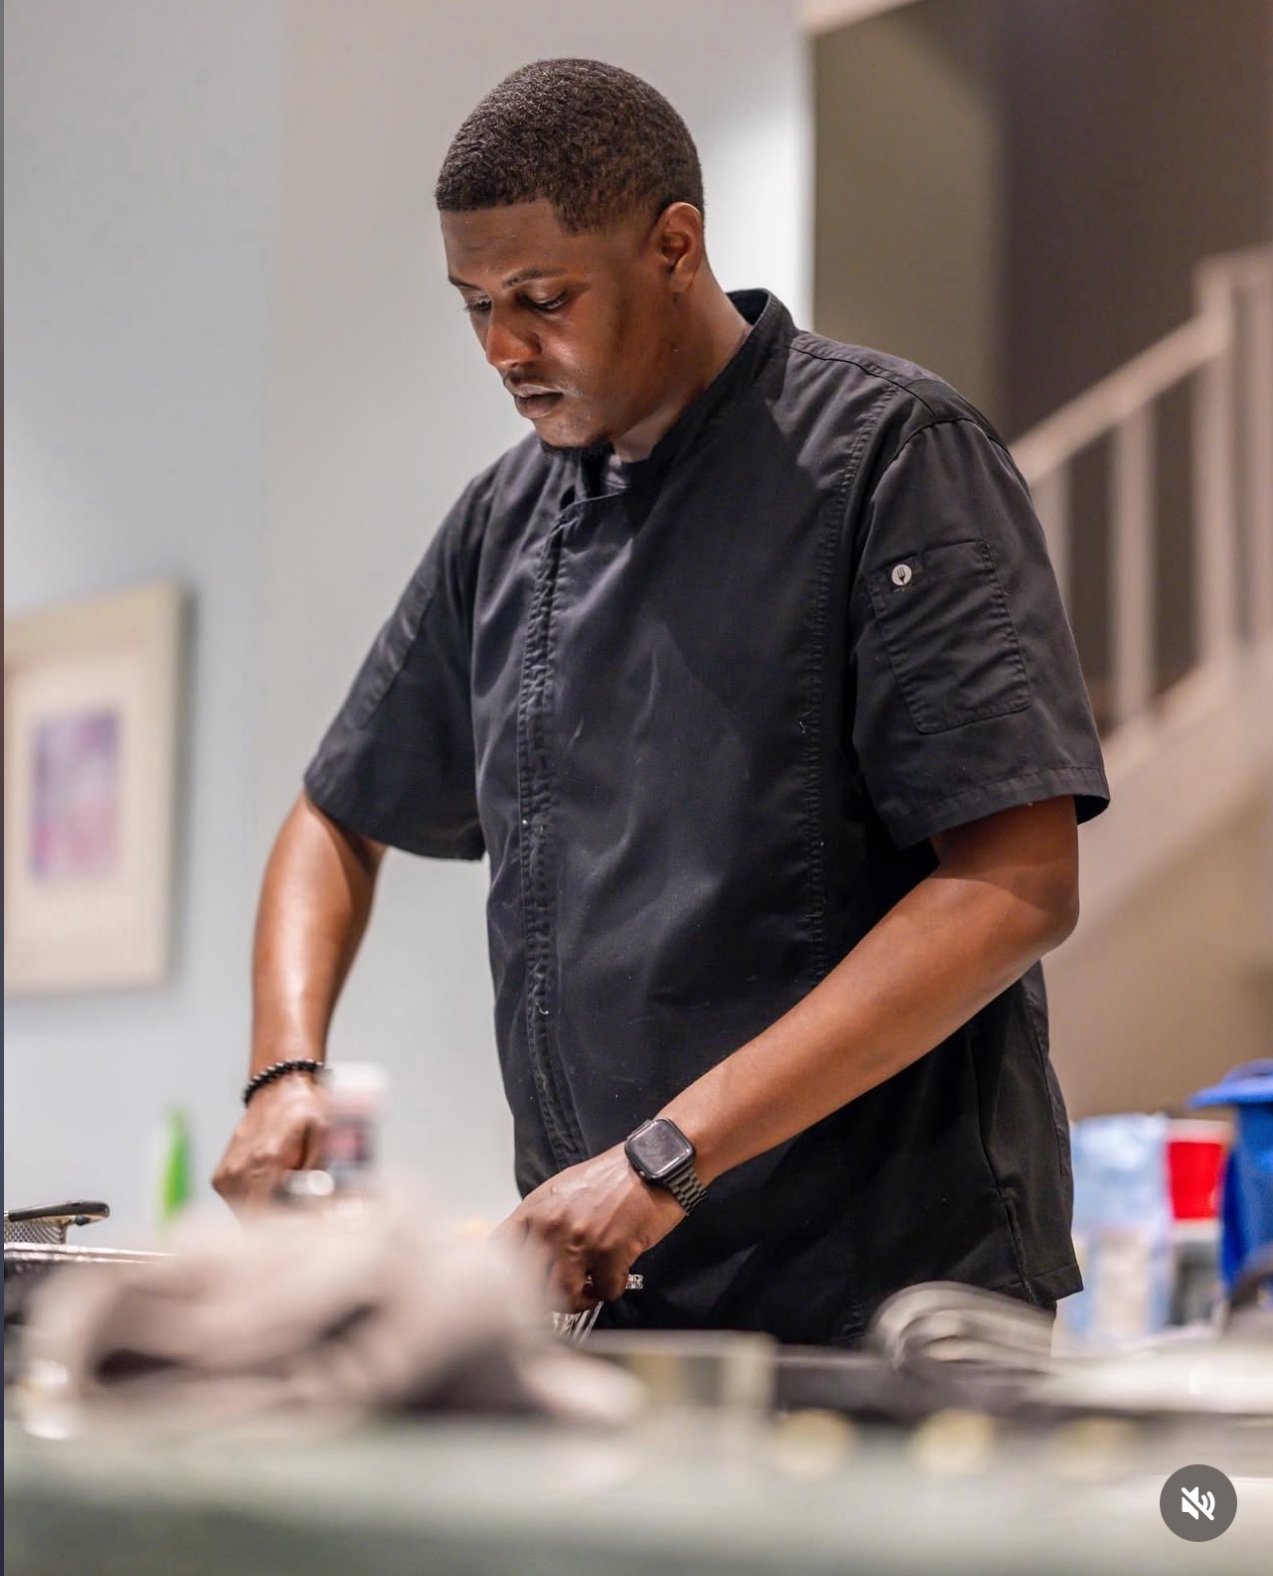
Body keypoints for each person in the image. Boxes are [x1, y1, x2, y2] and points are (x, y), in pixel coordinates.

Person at [214, 58, 1109, 1346]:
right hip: (620, 1301)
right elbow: (333, 816)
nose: (505, 349)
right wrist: (285, 1068)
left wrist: (665, 1160)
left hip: (893, 1307)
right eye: (474, 305)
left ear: (674, 246)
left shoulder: (890, 457)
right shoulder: (504, 522)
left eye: (542, 299)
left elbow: (1015, 888)